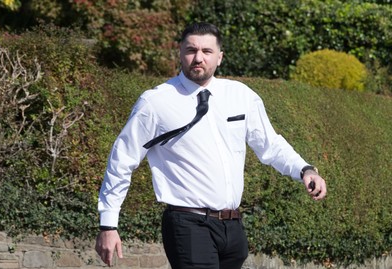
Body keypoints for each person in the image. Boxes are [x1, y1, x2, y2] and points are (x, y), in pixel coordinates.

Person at [95, 22, 327, 269]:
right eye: (191, 50)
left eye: (206, 51)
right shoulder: (156, 102)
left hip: (233, 227)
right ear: (180, 53)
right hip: (188, 224)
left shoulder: (241, 96)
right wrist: (108, 224)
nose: (198, 58)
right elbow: (122, 160)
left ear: (220, 57)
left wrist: (305, 169)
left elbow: (270, 145)